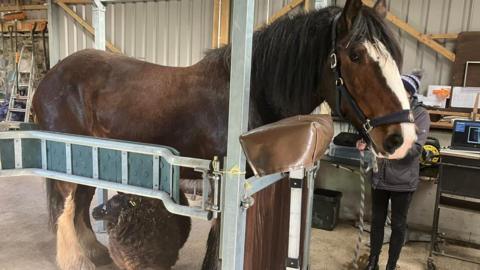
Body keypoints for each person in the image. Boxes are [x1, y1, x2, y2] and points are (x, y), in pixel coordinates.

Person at [357, 71, 431, 270]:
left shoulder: (420, 115)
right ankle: (373, 261)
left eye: (403, 88)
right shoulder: (387, 109)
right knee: (377, 221)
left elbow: (415, 150)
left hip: (402, 181)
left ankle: (391, 265)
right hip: (380, 177)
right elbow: (377, 134)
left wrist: (386, 152)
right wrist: (367, 142)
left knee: (398, 225)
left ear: (410, 93)